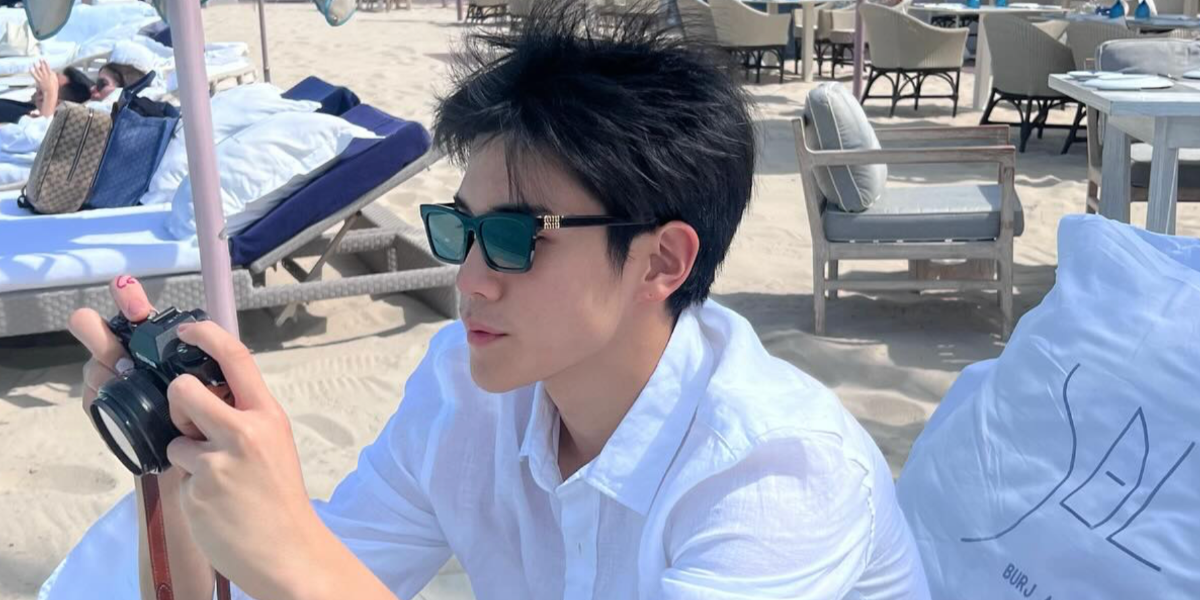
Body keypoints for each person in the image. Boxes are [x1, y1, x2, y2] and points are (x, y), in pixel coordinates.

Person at [67, 1, 931, 599]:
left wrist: (292, 553)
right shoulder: (469, 388)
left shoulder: (774, 472)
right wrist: (177, 460)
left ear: (661, 261)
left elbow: (309, 576)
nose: (471, 278)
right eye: (460, 229)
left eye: (518, 237)